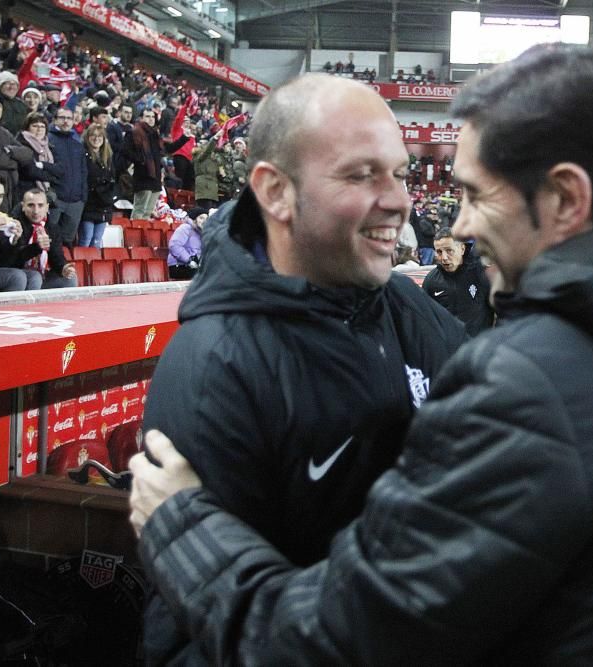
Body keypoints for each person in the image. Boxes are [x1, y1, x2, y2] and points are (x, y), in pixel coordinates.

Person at [130, 44, 593, 664]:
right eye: (363, 173)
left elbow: (337, 643)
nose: (458, 223)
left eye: (475, 194)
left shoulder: (534, 386)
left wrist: (184, 530)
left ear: (564, 197)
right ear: (274, 190)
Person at [131, 73, 468, 664]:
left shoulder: (419, 316)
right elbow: (192, 630)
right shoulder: (218, 363)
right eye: (362, 174)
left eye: (399, 173)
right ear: (276, 192)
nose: (398, 199)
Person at [0, 187, 77, 288]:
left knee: (70, 278)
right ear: (23, 206)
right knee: (35, 277)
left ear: (47, 208)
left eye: (40, 206)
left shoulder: (52, 227)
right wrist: (36, 247)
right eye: (31, 205)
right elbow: (9, 261)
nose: (36, 211)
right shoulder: (13, 225)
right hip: (15, 277)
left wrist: (63, 267)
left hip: (41, 277)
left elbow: (56, 256)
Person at [422, 226, 494, 336]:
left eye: (449, 250)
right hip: (448, 349)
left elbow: (501, 311)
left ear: (462, 249)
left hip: (478, 347)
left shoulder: (481, 274)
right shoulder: (431, 280)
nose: (444, 257)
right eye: (439, 252)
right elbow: (426, 318)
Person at [129, 107, 187, 219]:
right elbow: (127, 152)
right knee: (140, 209)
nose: (150, 119)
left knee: (148, 212)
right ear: (141, 118)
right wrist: (141, 161)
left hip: (155, 178)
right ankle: (133, 234)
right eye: (147, 116)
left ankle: (142, 234)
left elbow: (167, 150)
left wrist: (184, 138)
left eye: (152, 117)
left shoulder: (155, 135)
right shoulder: (135, 133)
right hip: (143, 177)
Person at [48, 107, 88, 248]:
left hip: (76, 201)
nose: (66, 121)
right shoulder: (48, 140)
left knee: (67, 241)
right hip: (56, 199)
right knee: (49, 239)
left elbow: (83, 171)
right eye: (62, 118)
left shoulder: (77, 143)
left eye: (69, 118)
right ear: (55, 120)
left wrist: (83, 197)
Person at [78, 123, 116, 248]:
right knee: (86, 238)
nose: (96, 138)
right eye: (93, 135)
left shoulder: (108, 157)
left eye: (100, 136)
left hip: (104, 205)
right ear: (87, 137)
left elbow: (112, 178)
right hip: (89, 204)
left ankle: (93, 265)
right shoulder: (82, 154)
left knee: (97, 240)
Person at [16, 112, 63, 202]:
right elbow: (31, 171)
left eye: (42, 127)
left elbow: (60, 169)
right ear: (27, 127)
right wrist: (52, 178)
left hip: (44, 195)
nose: (39, 130)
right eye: (35, 126)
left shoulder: (49, 146)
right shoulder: (21, 144)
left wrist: (43, 165)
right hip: (25, 193)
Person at [166, 206, 206, 279]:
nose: (204, 221)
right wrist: (189, 260)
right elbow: (174, 245)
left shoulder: (202, 232)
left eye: (206, 219)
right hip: (178, 266)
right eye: (201, 218)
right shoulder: (185, 228)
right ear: (194, 219)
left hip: (193, 267)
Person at [0, 71, 28, 136]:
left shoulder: (21, 105)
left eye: (14, 84)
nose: (11, 87)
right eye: (8, 83)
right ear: (0, 86)